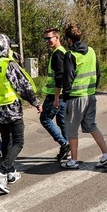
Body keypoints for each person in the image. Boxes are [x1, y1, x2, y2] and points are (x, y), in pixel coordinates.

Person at [0, 33, 42, 194]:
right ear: (4, 47)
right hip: (10, 108)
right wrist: (35, 102)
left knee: (6, 139)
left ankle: (11, 173)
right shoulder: (8, 64)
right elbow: (23, 86)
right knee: (19, 141)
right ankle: (1, 171)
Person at [59, 24, 107, 169]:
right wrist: (93, 89)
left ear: (69, 40)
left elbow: (68, 78)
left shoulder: (70, 55)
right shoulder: (91, 51)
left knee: (71, 129)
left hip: (75, 97)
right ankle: (106, 154)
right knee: (91, 125)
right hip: (90, 95)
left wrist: (65, 95)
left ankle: (73, 160)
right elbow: (98, 72)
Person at [40, 28, 70, 162]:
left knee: (45, 119)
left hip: (56, 95)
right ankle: (67, 151)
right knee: (62, 122)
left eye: (49, 38)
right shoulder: (63, 52)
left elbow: (59, 77)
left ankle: (64, 144)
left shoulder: (58, 54)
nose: (47, 41)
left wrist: (56, 97)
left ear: (57, 38)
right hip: (63, 94)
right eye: (45, 39)